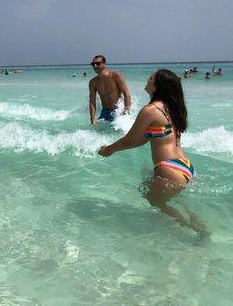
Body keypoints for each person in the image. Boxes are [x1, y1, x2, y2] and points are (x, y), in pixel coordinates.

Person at [98, 69, 207, 236]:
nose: (147, 79)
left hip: (169, 168)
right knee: (175, 202)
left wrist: (109, 149)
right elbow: (143, 139)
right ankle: (198, 228)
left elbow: (128, 140)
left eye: (151, 78)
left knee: (155, 202)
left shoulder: (150, 110)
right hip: (185, 166)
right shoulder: (171, 107)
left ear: (158, 86)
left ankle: (191, 231)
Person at [88, 55, 131, 124]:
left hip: (118, 111)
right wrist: (92, 118)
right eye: (93, 64)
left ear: (104, 64)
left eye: (98, 63)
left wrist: (126, 110)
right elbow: (92, 102)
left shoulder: (115, 75)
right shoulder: (93, 82)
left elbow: (126, 93)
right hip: (104, 111)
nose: (95, 66)